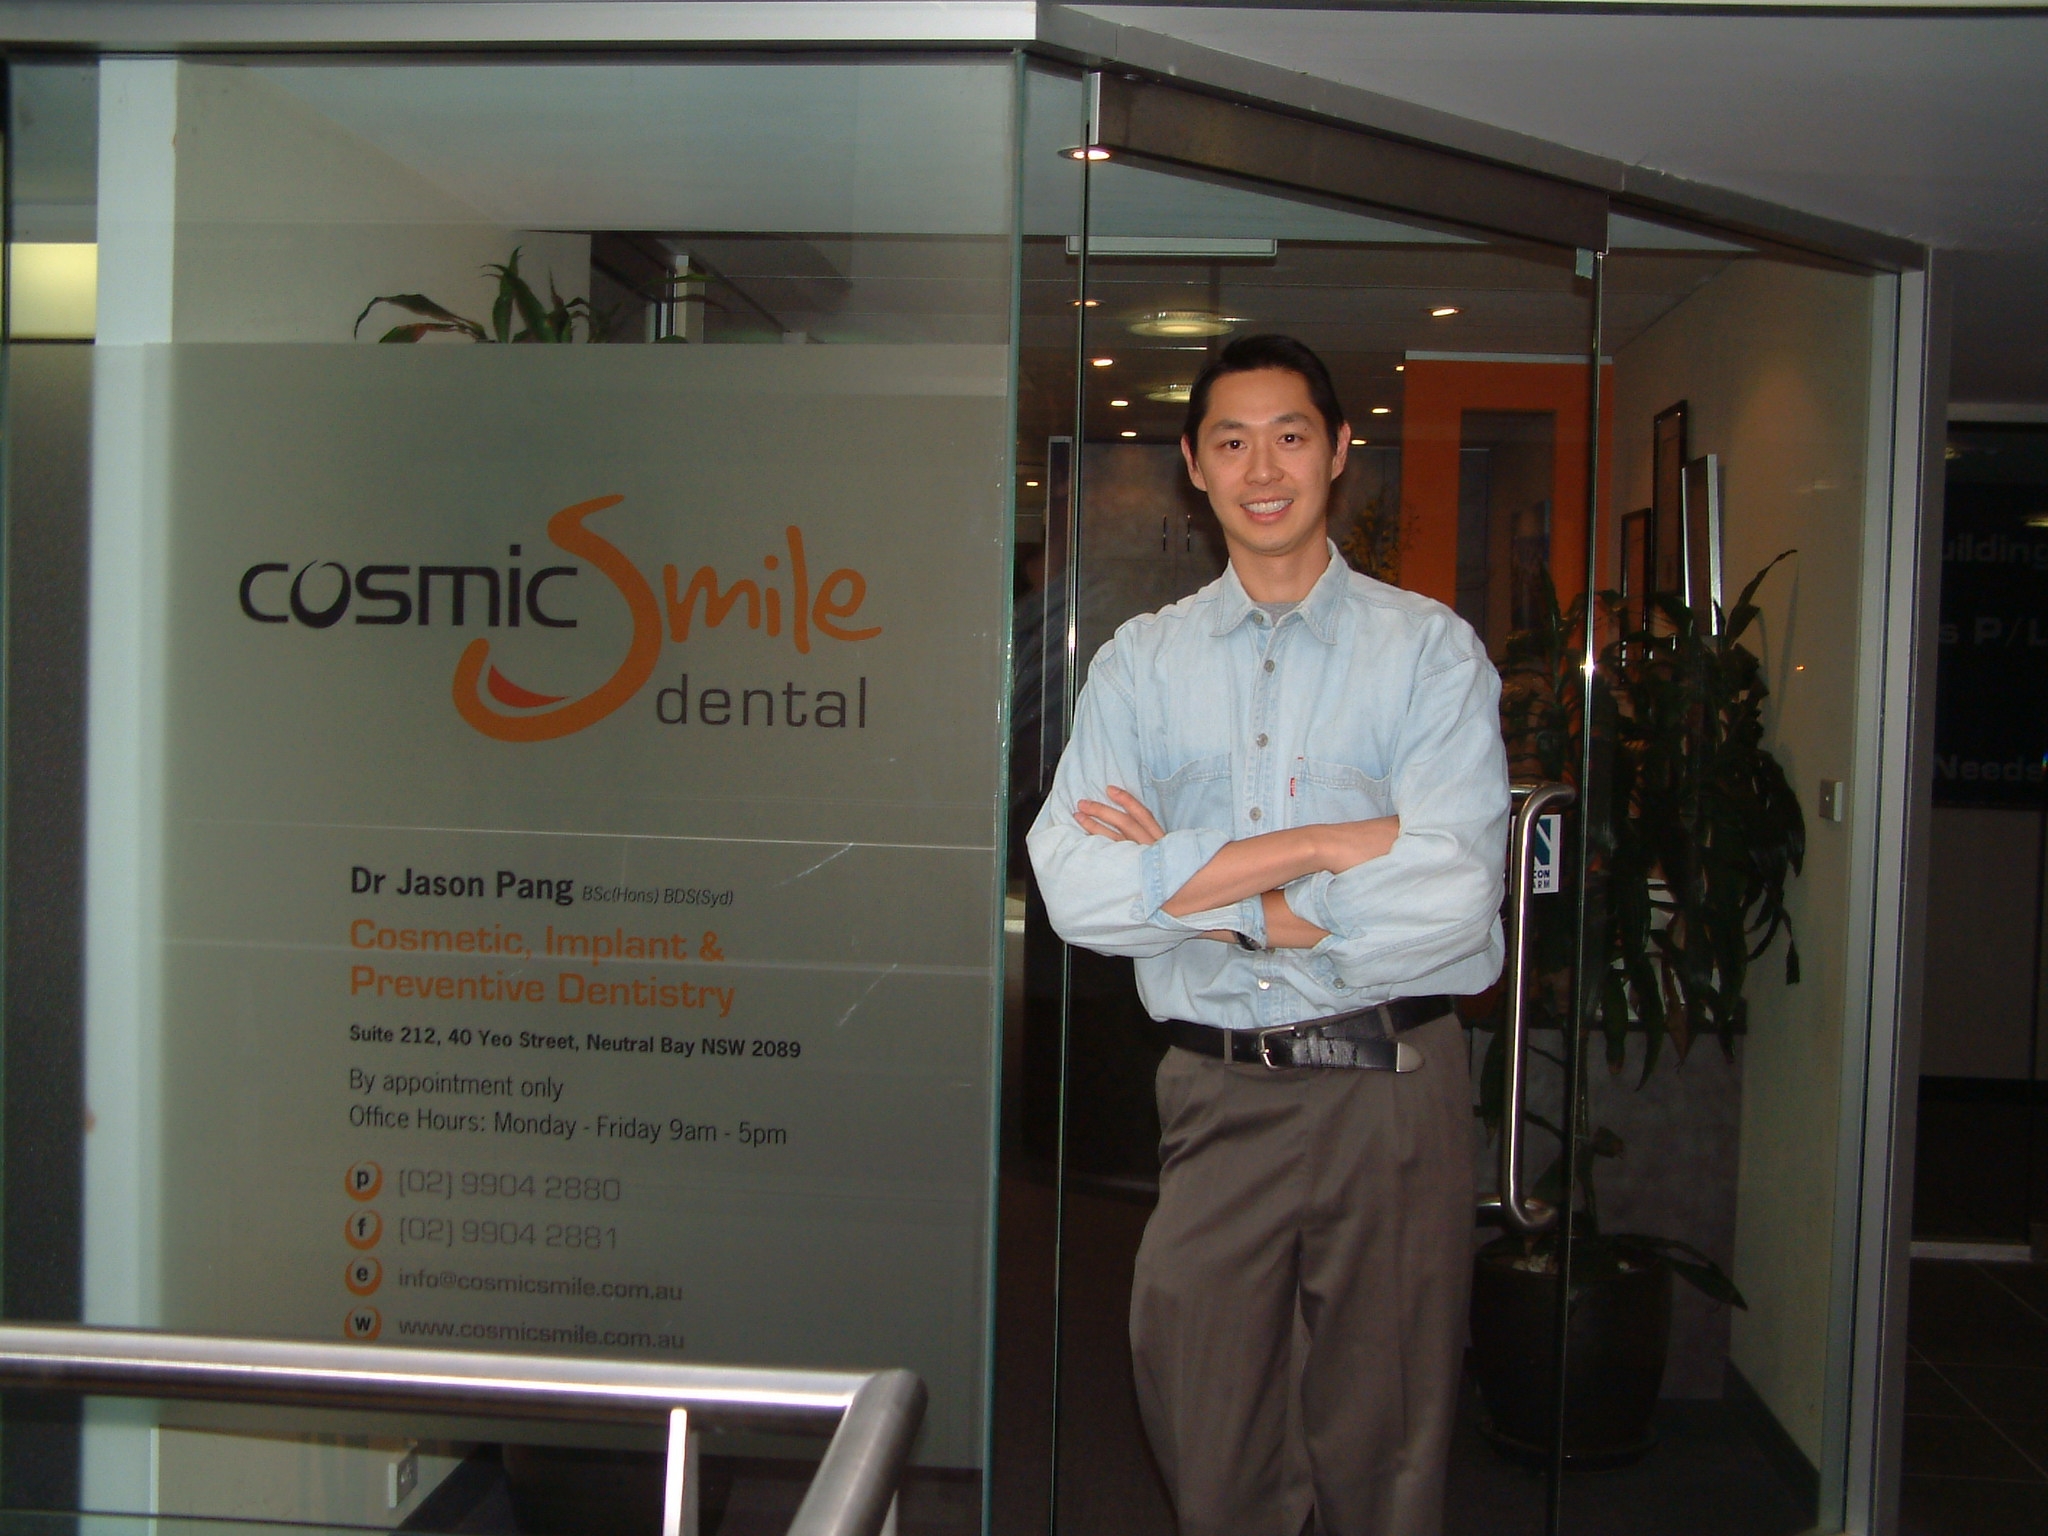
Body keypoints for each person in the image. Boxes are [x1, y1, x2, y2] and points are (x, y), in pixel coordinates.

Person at [1027, 334, 1510, 1536]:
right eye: (1230, 441)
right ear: (1194, 467)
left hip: (1392, 1087)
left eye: (1288, 436)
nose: (1261, 469)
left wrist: (1192, 889)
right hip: (1216, 1089)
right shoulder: (1141, 666)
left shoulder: (1427, 652)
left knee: (1384, 1448)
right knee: (1203, 1428)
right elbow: (1075, 888)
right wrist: (1320, 850)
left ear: (1336, 451)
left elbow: (1453, 893)